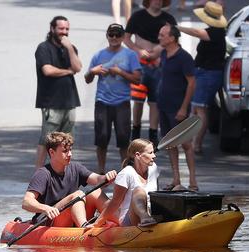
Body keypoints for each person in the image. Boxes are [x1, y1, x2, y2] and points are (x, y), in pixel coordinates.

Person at [22, 132, 117, 228]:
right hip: (49, 221)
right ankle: (84, 227)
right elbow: (26, 202)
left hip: (70, 217)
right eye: (65, 151)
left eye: (70, 150)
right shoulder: (43, 174)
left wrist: (106, 177)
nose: (70, 154)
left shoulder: (75, 167)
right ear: (52, 152)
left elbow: (97, 179)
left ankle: (120, 221)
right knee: (78, 194)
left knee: (96, 191)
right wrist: (46, 208)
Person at [85, 23, 142, 174]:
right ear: (107, 36)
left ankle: (126, 171)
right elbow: (87, 78)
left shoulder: (130, 55)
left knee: (123, 139)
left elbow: (137, 79)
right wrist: (93, 71)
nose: (114, 38)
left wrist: (120, 72)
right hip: (102, 101)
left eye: (118, 35)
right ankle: (101, 171)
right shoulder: (98, 55)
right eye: (111, 35)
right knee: (102, 138)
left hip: (122, 102)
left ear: (123, 37)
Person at [123, 0, 176, 147]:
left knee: (155, 101)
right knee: (138, 100)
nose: (158, 2)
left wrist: (159, 50)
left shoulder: (168, 19)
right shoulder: (137, 16)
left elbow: (175, 38)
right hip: (140, 64)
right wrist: (138, 50)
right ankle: (136, 132)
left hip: (159, 65)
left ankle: (153, 135)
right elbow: (126, 38)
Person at [177, 1, 227, 154]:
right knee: (197, 108)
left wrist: (177, 28)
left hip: (209, 73)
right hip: (204, 72)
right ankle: (192, 141)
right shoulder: (214, 30)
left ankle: (197, 144)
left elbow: (197, 33)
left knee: (201, 109)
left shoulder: (216, 32)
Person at [34, 15, 82, 169]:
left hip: (70, 101)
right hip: (51, 102)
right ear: (52, 29)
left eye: (67, 29)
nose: (64, 32)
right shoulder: (44, 48)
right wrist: (67, 71)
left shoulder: (70, 48)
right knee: (46, 140)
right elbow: (47, 70)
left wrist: (68, 48)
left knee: (67, 140)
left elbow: (78, 68)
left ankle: (64, 171)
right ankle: (38, 172)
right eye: (61, 28)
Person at [157, 24, 198, 191]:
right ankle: (176, 179)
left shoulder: (184, 57)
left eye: (162, 35)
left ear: (172, 38)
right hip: (164, 105)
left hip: (177, 107)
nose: (159, 37)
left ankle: (193, 181)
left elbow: (191, 83)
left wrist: (184, 108)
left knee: (186, 144)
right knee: (170, 143)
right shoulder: (164, 54)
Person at [93, 139, 159, 227]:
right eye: (150, 153)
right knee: (139, 190)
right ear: (138, 155)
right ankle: (145, 218)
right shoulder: (126, 173)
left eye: (153, 152)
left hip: (153, 213)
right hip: (129, 220)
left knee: (177, 189)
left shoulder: (154, 168)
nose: (154, 156)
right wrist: (97, 223)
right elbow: (115, 203)